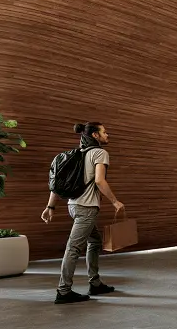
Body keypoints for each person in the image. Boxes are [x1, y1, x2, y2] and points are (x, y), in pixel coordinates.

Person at [42, 122, 125, 304]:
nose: (107, 134)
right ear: (95, 135)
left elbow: (57, 183)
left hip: (73, 206)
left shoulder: (74, 155)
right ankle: (63, 291)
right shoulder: (100, 153)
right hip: (87, 209)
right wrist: (114, 201)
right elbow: (99, 181)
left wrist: (51, 207)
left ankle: (95, 283)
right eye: (104, 132)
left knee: (94, 240)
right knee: (73, 248)